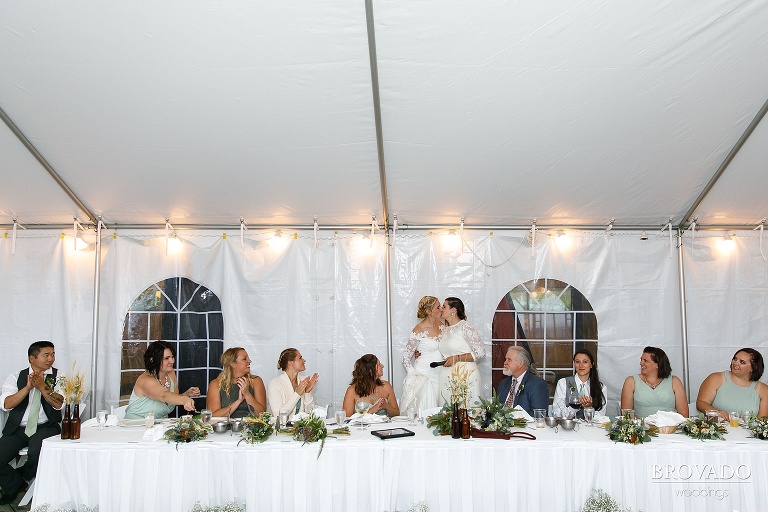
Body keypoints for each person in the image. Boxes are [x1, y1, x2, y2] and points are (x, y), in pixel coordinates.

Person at [0, 341, 65, 505]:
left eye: (53, 354)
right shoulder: (15, 377)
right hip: (19, 428)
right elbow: (7, 404)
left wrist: (42, 386)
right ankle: (14, 483)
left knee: (37, 451)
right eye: (46, 355)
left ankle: (25, 476)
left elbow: (59, 404)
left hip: (47, 426)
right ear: (32, 358)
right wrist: (28, 387)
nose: (51, 359)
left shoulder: (60, 376)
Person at [124, 341, 199, 420]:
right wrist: (184, 400)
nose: (172, 361)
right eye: (166, 358)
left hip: (159, 425)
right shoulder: (145, 380)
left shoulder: (170, 373)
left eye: (172, 357)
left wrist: (186, 394)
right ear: (152, 359)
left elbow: (172, 399)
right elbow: (164, 395)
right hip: (136, 425)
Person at [437, 297, 486, 408]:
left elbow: (480, 352)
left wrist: (457, 358)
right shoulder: (445, 329)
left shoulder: (466, 327)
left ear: (453, 310)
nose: (441, 309)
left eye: (444, 307)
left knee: (465, 412)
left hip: (465, 374)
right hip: (447, 375)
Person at [696, 348, 768, 421]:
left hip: (747, 432)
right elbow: (701, 403)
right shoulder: (715, 378)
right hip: (717, 428)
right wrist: (716, 412)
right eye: (735, 359)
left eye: (742, 362)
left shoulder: (764, 389)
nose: (735, 363)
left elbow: (762, 421)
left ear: (753, 367)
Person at [400, 296, 443, 412]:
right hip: (424, 376)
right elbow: (405, 358)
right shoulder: (419, 329)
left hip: (441, 374)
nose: (441, 309)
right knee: (427, 410)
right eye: (438, 307)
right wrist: (413, 374)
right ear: (429, 311)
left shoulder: (442, 326)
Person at [620, 346, 688, 418]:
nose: (641, 363)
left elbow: (684, 413)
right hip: (641, 427)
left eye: (645, 360)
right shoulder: (631, 381)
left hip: (669, 427)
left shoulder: (674, 381)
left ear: (657, 364)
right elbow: (626, 414)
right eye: (641, 360)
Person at [206, 347, 267, 418]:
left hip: (251, 427)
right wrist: (238, 401)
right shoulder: (216, 384)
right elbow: (214, 416)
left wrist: (247, 394)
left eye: (248, 358)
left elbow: (262, 414)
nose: (249, 361)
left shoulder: (256, 381)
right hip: (225, 427)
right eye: (244, 359)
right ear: (233, 364)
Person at [552, 349, 608, 419]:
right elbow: (556, 414)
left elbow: (601, 417)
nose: (581, 365)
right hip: (568, 428)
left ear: (591, 364)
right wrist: (575, 406)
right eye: (577, 362)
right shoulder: (563, 383)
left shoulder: (601, 388)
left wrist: (589, 408)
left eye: (585, 362)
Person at [497, 345, 549, 416]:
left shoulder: (537, 384)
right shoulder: (504, 383)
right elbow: (497, 409)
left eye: (509, 360)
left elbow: (539, 414)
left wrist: (513, 418)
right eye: (505, 359)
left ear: (520, 363)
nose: (505, 363)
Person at [266, 348, 318, 417]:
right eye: (300, 358)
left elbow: (311, 414)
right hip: (280, 427)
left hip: (302, 427)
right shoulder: (274, 384)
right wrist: (297, 394)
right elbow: (278, 415)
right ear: (290, 363)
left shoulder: (304, 381)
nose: (304, 360)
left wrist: (307, 392)